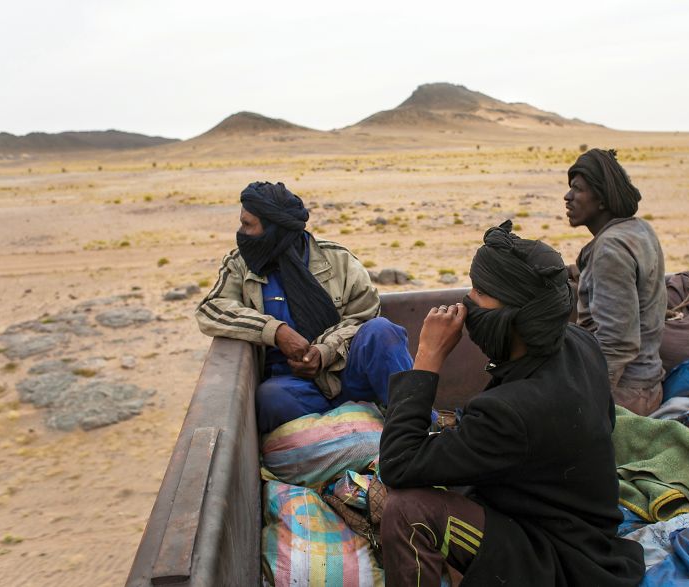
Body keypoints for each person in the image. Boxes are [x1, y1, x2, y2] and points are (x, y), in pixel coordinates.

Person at [379, 221, 645, 586]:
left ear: (514, 317)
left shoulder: (510, 412)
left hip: (556, 561)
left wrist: (427, 357)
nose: (467, 303)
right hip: (589, 534)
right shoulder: (579, 343)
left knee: (408, 511)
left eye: (480, 293)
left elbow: (396, 465)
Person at [196, 181, 413, 433]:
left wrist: (324, 352)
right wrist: (275, 331)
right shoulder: (240, 264)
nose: (241, 232)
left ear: (273, 228)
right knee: (270, 398)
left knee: (382, 330)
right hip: (295, 386)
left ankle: (416, 425)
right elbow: (211, 308)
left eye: (247, 224)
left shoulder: (337, 259)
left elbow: (364, 315)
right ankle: (357, 430)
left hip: (345, 374)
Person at [565, 148, 667, 416]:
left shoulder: (610, 249)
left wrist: (593, 407)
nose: (567, 197)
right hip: (648, 383)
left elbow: (617, 343)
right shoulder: (637, 229)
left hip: (626, 394)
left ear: (601, 199)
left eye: (577, 189)